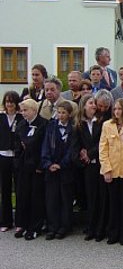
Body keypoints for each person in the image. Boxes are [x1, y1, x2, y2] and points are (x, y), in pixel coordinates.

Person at [99, 98, 123, 245]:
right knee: (113, 203)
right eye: (115, 109)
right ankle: (113, 232)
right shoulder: (106, 125)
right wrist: (106, 169)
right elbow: (103, 149)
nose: (117, 111)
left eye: (120, 109)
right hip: (112, 170)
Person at [72, 94, 108, 242]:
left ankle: (101, 228)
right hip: (88, 167)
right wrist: (82, 158)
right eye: (91, 103)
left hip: (101, 164)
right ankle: (91, 227)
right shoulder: (79, 124)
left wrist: (90, 154)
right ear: (84, 106)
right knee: (91, 197)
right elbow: (76, 145)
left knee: (102, 197)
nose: (94, 105)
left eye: (94, 103)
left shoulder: (102, 122)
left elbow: (102, 142)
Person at [14, 99, 48, 240]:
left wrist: (41, 165)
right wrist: (23, 146)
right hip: (23, 166)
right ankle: (23, 224)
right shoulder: (21, 125)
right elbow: (17, 144)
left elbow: (42, 145)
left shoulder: (43, 124)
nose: (23, 113)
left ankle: (35, 227)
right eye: (22, 111)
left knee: (36, 197)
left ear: (34, 110)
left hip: (37, 167)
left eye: (25, 110)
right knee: (23, 196)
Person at [41, 101, 75, 240]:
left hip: (65, 168)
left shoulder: (72, 129)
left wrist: (62, 164)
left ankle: (64, 226)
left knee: (65, 198)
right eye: (59, 112)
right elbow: (46, 146)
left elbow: (71, 149)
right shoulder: (51, 127)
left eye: (63, 113)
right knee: (52, 198)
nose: (60, 115)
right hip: (51, 168)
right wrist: (48, 163)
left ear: (69, 114)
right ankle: (52, 226)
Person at [0, 91, 23, 232]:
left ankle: (20, 221)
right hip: (3, 156)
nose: (9, 105)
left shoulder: (21, 118)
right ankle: (5, 221)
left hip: (17, 157)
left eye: (12, 102)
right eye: (7, 102)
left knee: (19, 189)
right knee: (5, 189)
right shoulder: (1, 117)